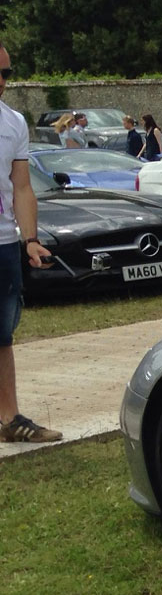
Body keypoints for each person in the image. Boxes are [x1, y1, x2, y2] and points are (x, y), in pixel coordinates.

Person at [0, 42, 62, 443]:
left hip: (3, 242)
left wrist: (30, 240)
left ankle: (9, 419)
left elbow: (22, 188)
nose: (1, 81)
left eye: (6, 73)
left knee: (1, 334)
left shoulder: (13, 123)